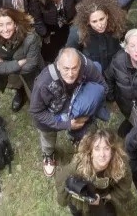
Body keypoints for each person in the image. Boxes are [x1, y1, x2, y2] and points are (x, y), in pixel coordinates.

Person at [30, 47, 109, 177]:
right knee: (47, 136)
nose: (71, 73)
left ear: (80, 65)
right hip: (50, 113)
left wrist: (88, 112)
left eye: (75, 68)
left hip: (73, 103)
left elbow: (103, 86)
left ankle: (76, 138)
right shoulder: (43, 83)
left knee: (83, 125)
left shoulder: (87, 66)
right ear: (58, 66)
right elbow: (37, 112)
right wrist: (66, 124)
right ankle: (48, 154)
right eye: (66, 69)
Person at [56, 130, 134, 214]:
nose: (102, 154)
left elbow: (125, 184)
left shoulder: (120, 163)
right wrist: (88, 201)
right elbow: (62, 190)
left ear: (112, 151)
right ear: (91, 152)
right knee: (78, 211)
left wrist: (109, 197)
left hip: (105, 194)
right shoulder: (77, 167)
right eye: (97, 149)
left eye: (106, 148)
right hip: (81, 195)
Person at [0, 7, 43, 112]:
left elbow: (31, 65)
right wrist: (17, 64)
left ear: (15, 24)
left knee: (35, 93)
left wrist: (4, 64)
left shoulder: (30, 37)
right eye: (1, 25)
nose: (5, 29)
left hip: (28, 72)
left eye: (9, 23)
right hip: (12, 69)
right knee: (14, 83)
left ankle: (37, 104)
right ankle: (20, 92)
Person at [66, 0, 127, 73]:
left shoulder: (117, 24)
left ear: (107, 15)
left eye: (102, 19)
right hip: (91, 72)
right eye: (94, 21)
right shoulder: (77, 32)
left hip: (114, 69)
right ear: (88, 21)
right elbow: (69, 55)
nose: (100, 25)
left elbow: (125, 43)